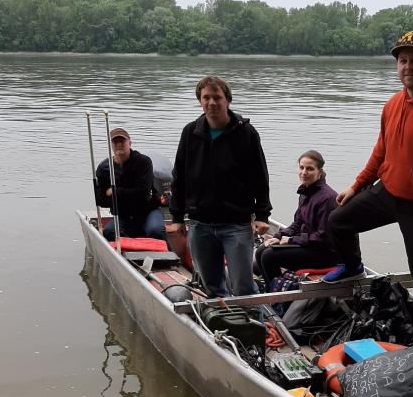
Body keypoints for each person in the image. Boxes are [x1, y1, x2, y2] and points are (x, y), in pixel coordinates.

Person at [322, 31, 413, 328]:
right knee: (338, 221)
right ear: (396, 65)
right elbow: (381, 152)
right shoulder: (392, 104)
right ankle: (352, 268)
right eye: (402, 60)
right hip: (386, 192)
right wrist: (356, 186)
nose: (408, 66)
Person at [167, 75, 271, 297]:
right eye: (206, 98)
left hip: (236, 224)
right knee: (212, 286)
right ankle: (225, 327)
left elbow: (259, 177)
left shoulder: (246, 133)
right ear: (200, 101)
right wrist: (176, 217)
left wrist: (262, 214)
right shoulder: (190, 132)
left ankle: (257, 327)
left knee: (243, 286)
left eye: (217, 97)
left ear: (227, 101)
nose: (211, 103)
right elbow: (180, 177)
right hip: (200, 223)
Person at [255, 150, 339, 286]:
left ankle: (279, 299)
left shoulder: (328, 198)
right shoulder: (306, 192)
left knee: (269, 256)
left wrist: (291, 240)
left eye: (310, 169)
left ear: (320, 171)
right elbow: (298, 223)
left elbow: (323, 238)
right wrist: (279, 235)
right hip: (310, 245)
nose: (304, 172)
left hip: (325, 253)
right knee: (260, 251)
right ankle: (273, 289)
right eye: (301, 167)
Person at [95, 127, 166, 242]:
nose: (119, 144)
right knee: (109, 232)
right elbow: (101, 200)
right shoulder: (104, 168)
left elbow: (143, 194)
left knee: (155, 230)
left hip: (148, 212)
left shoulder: (143, 162)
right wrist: (130, 194)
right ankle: (127, 254)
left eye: (122, 141)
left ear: (130, 143)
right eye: (115, 142)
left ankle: (171, 256)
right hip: (123, 216)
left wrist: (115, 192)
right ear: (110, 145)